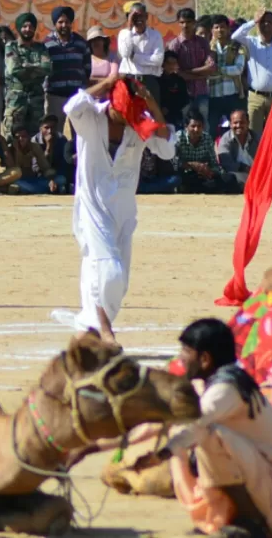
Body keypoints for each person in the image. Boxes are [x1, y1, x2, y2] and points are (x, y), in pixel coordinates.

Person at [55, 76, 175, 345]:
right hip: (92, 209)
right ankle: (105, 331)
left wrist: (152, 103)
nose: (126, 119)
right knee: (108, 271)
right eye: (123, 113)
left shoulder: (137, 123)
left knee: (116, 280)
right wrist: (108, 82)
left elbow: (166, 147)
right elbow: (72, 106)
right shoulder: (90, 118)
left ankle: (87, 329)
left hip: (123, 212)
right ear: (112, 104)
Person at [158, 318, 272, 538]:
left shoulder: (225, 389)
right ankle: (221, 519)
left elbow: (196, 424)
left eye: (186, 351)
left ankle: (251, 522)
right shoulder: (214, 383)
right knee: (178, 438)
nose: (181, 358)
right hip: (262, 478)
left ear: (205, 359)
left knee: (208, 435)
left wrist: (159, 454)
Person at [232, 11, 272, 134]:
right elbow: (235, 36)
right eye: (263, 22)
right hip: (255, 97)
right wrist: (253, 21)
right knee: (253, 134)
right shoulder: (251, 42)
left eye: (269, 22)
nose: (266, 25)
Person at [217, 109, 272, 191]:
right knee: (229, 177)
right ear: (231, 124)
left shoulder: (256, 137)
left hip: (259, 174)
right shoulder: (225, 139)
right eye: (235, 123)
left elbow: (267, 158)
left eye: (242, 122)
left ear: (248, 123)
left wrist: (260, 169)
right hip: (241, 174)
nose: (238, 125)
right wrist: (244, 168)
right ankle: (261, 188)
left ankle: (256, 188)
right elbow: (226, 163)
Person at [4, 12, 53, 137]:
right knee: (12, 134)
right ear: (19, 28)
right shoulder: (11, 46)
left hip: (36, 99)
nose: (28, 29)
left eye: (31, 26)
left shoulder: (40, 47)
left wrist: (27, 67)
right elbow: (15, 69)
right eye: (24, 26)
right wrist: (36, 68)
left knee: (35, 135)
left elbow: (47, 68)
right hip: (16, 99)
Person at [43, 6, 92, 128]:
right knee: (54, 131)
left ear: (71, 23)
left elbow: (87, 68)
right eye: (60, 22)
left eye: (67, 22)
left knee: (79, 133)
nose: (64, 25)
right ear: (55, 24)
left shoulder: (81, 43)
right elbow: (44, 69)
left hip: (76, 96)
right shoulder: (46, 44)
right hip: (55, 96)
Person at [168, 8, 217, 126]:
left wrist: (188, 73)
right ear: (178, 23)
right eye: (182, 22)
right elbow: (175, 72)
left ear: (194, 22)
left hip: (202, 92)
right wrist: (200, 73)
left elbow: (211, 67)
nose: (185, 25)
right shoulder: (175, 45)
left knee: (204, 125)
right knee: (185, 127)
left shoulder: (202, 42)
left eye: (189, 22)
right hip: (183, 94)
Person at [176, 109, 238, 194]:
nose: (196, 129)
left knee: (230, 179)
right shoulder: (179, 138)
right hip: (186, 174)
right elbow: (174, 163)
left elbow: (215, 164)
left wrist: (209, 171)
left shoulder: (207, 138)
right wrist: (193, 165)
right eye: (193, 126)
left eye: (199, 126)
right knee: (182, 179)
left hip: (203, 175)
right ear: (186, 127)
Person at [208, 14, 247, 134]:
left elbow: (239, 69)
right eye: (216, 27)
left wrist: (219, 69)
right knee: (211, 130)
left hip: (233, 95)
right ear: (212, 30)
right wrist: (227, 70)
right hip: (213, 96)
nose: (220, 30)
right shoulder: (208, 47)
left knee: (237, 129)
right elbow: (207, 72)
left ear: (228, 29)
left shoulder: (236, 46)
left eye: (223, 27)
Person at [117, 2, 164, 93]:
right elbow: (125, 54)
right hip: (129, 79)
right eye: (134, 16)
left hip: (149, 80)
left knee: (151, 107)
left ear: (146, 16)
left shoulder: (155, 35)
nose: (138, 19)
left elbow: (158, 60)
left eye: (141, 16)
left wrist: (135, 57)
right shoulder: (124, 34)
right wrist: (129, 28)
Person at [6, 124, 66, 194]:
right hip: (18, 180)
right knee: (19, 185)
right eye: (17, 137)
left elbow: (45, 166)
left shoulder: (34, 146)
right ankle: (52, 189)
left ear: (28, 137)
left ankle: (50, 187)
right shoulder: (10, 149)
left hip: (32, 179)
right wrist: (17, 150)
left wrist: (51, 180)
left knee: (61, 179)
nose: (21, 139)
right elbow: (13, 170)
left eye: (24, 136)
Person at [33, 113, 75, 190]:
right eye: (46, 128)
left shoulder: (61, 139)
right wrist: (48, 147)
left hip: (57, 174)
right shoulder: (34, 141)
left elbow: (64, 162)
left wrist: (55, 176)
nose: (50, 131)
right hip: (41, 175)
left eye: (53, 127)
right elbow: (36, 167)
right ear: (40, 128)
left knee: (62, 179)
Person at [156, 51, 191, 129]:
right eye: (169, 63)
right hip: (157, 116)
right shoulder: (156, 80)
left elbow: (184, 99)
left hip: (175, 118)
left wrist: (169, 108)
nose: (171, 66)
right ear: (163, 63)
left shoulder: (179, 80)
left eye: (174, 63)